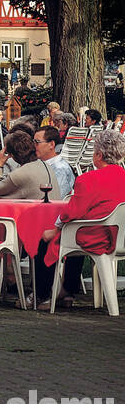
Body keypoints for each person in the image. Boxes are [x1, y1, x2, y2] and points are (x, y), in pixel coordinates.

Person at [38, 129, 125, 306]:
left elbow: (73, 212)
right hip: (119, 236)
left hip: (98, 236)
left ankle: (43, 294)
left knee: (47, 239)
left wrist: (54, 229)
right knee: (73, 233)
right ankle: (68, 291)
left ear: (99, 155)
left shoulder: (89, 179)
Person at [0, 129, 64, 199]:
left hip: (37, 212)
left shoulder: (19, 174)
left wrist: (0, 164)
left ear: (11, 155)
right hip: (53, 211)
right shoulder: (45, 165)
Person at [36, 125, 75, 199]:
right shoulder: (47, 164)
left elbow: (56, 198)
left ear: (51, 144)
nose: (34, 145)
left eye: (37, 142)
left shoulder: (59, 169)